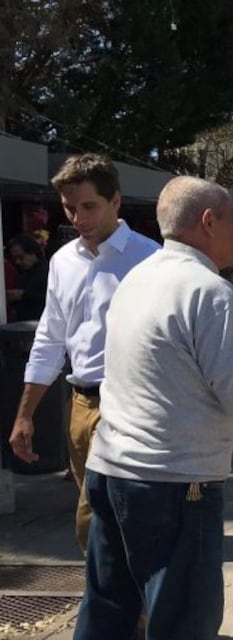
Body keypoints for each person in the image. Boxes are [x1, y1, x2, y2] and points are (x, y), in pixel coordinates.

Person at [73, 176, 233, 640]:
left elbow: (204, 331)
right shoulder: (209, 291)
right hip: (174, 484)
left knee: (108, 609)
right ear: (209, 221)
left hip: (109, 472)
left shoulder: (143, 276)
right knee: (184, 619)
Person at [8, 153, 160, 552]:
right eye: (69, 209)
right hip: (79, 405)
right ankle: (119, 608)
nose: (78, 218)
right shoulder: (62, 262)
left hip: (134, 406)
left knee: (106, 518)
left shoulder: (151, 260)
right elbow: (50, 340)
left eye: (88, 206)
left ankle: (120, 611)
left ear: (116, 201)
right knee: (99, 518)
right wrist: (25, 414)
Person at [5, 233, 49, 321]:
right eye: (15, 259)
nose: (18, 262)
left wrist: (23, 295)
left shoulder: (48, 271)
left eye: (21, 257)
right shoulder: (24, 272)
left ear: (32, 253)